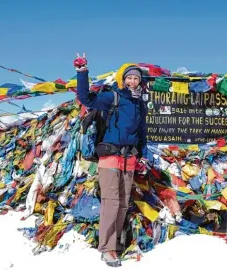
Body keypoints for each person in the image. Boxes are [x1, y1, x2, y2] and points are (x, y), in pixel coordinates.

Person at [74, 53, 148, 267]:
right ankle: (107, 249)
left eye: (136, 78)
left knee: (123, 204)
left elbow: (142, 131)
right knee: (111, 203)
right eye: (129, 78)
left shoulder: (139, 104)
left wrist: (141, 155)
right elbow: (86, 98)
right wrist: (82, 71)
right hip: (109, 158)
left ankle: (115, 246)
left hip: (130, 159)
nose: (133, 81)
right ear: (122, 79)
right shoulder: (113, 97)